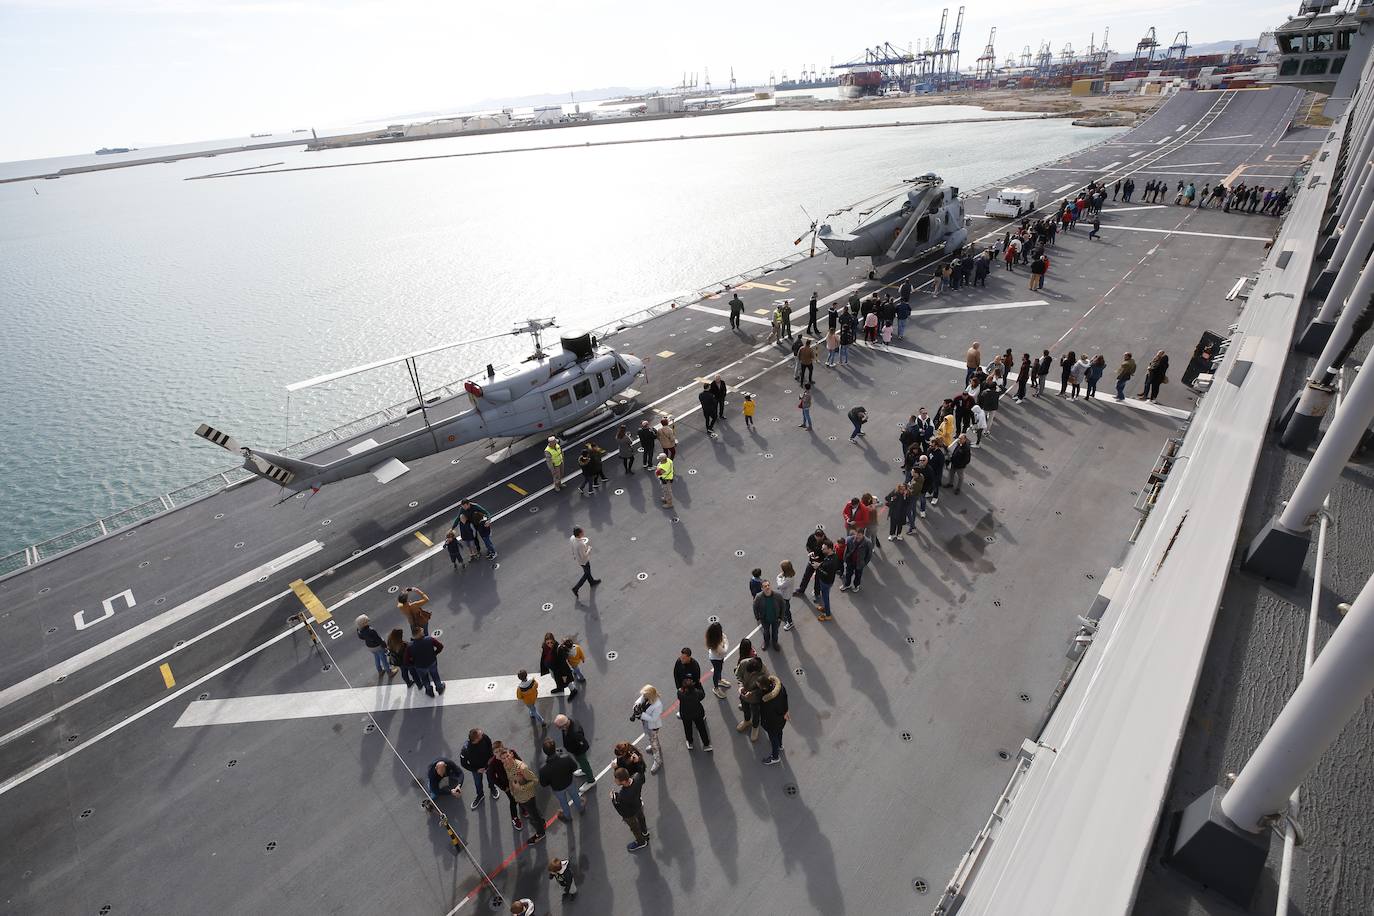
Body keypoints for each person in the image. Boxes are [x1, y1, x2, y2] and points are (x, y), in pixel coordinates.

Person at [501, 747, 545, 844]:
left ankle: (540, 833)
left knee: (534, 816)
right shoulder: (506, 766)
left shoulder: (522, 768)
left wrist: (521, 788)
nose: (506, 760)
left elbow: (535, 781)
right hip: (519, 797)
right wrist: (513, 792)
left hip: (527, 797)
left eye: (507, 756)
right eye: (503, 758)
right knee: (534, 812)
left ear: (511, 754)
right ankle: (541, 821)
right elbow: (511, 780)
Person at [539, 738, 585, 822]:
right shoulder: (565, 757)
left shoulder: (543, 769)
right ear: (554, 747)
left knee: (563, 802)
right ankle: (581, 808)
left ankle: (567, 816)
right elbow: (574, 767)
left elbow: (543, 783)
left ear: (545, 752)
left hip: (557, 788)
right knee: (575, 795)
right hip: (569, 782)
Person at [486, 740, 525, 828]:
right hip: (507, 785)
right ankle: (514, 818)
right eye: (496, 752)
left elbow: (520, 762)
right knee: (513, 800)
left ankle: (523, 809)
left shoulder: (511, 753)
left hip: (517, 780)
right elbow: (492, 777)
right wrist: (503, 787)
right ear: (493, 753)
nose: (499, 753)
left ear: (503, 748)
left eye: (500, 750)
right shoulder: (492, 763)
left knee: (521, 795)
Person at [611, 767, 650, 852]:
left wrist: (614, 799)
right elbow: (642, 775)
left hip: (630, 814)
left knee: (635, 828)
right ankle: (645, 832)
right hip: (638, 805)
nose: (615, 781)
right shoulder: (637, 778)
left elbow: (622, 810)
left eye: (616, 779)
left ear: (624, 782)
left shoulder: (623, 795)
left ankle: (641, 842)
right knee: (641, 819)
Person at [552, 714, 596, 788]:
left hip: (579, 752)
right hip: (575, 751)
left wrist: (576, 751)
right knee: (581, 762)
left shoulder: (575, 733)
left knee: (585, 763)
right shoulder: (568, 723)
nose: (559, 729)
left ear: (564, 725)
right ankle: (583, 770)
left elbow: (581, 743)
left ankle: (591, 780)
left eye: (559, 727)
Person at [460, 728, 499, 808]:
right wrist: (476, 770)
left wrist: (491, 759)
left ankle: (492, 788)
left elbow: (489, 745)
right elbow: (463, 764)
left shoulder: (484, 737)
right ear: (476, 739)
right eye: (480, 734)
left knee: (491, 778)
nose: (483, 734)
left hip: (488, 765)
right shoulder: (466, 750)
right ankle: (480, 795)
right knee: (478, 783)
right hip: (476, 769)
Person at [759, 674, 790, 765]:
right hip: (781, 718)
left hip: (772, 723)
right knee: (779, 731)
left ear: (763, 687)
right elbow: (786, 698)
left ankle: (775, 757)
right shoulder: (781, 688)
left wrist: (763, 723)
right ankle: (780, 745)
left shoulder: (766, 700)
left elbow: (764, 713)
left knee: (773, 738)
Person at [632, 685, 664, 774]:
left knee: (653, 743)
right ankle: (656, 745)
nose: (643, 696)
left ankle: (657, 760)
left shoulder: (658, 705)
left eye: (645, 695)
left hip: (653, 726)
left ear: (649, 695)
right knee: (653, 739)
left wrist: (641, 714)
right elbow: (640, 700)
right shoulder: (646, 697)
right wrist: (636, 706)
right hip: (647, 724)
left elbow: (654, 719)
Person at [406, 627, 445, 697]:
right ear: (420, 634)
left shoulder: (409, 646)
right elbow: (440, 646)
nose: (423, 633)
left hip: (419, 666)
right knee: (435, 675)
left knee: (424, 678)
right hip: (431, 662)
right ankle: (439, 688)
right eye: (422, 632)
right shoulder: (429, 639)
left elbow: (406, 660)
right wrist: (435, 653)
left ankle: (429, 691)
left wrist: (413, 664)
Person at [678, 677, 712, 751]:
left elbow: (680, 690)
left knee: (688, 728)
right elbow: (702, 695)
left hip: (686, 714)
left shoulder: (680, 693)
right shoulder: (697, 693)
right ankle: (706, 744)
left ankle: (690, 743)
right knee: (702, 728)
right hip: (698, 714)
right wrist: (699, 685)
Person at [540, 631, 578, 696]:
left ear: (553, 640)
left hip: (560, 670)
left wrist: (564, 674)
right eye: (548, 643)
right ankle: (560, 688)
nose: (550, 644)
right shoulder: (544, 646)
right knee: (555, 678)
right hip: (552, 668)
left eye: (551, 642)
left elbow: (562, 663)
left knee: (567, 681)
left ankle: (573, 690)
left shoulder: (559, 649)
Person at [569, 526, 600, 599]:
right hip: (584, 561)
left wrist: (574, 555)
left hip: (579, 560)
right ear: (579, 534)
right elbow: (584, 556)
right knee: (586, 574)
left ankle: (592, 582)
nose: (583, 532)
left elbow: (572, 548)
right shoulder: (580, 544)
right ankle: (576, 588)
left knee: (587, 572)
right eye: (582, 531)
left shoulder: (572, 538)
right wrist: (589, 549)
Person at [753, 579, 784, 650]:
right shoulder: (758, 597)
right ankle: (766, 642)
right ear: (762, 588)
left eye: (768, 585)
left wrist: (781, 617)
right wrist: (757, 617)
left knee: (775, 632)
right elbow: (755, 607)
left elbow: (783, 606)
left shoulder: (778, 595)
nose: (767, 587)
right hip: (765, 619)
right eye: (765, 586)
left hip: (776, 619)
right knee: (766, 632)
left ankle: (775, 643)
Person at [839, 527, 871, 594]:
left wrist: (864, 563)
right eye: (856, 534)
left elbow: (869, 555)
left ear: (863, 535)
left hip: (859, 562)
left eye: (859, 535)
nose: (857, 537)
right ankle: (847, 584)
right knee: (848, 573)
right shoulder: (849, 539)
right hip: (850, 560)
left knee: (858, 575)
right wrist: (845, 558)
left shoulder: (867, 542)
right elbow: (846, 550)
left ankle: (856, 586)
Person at [705, 622, 732, 698]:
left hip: (718, 658)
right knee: (717, 672)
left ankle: (719, 680)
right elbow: (724, 650)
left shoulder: (712, 637)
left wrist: (723, 638)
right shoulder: (715, 644)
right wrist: (726, 641)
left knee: (719, 670)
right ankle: (716, 688)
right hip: (716, 659)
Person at [775, 560, 797, 632]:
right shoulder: (790, 574)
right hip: (786, 594)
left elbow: (780, 586)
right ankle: (784, 615)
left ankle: (790, 622)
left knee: (786, 609)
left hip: (785, 596)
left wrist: (778, 578)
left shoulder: (788, 579)